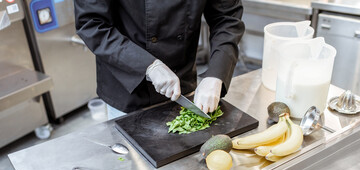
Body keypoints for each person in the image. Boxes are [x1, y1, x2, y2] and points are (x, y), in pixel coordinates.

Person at [74, 1, 244, 119]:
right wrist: (147, 65)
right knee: (132, 163)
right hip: (128, 85)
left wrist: (216, 73)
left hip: (182, 79)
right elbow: (92, 24)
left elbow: (227, 18)